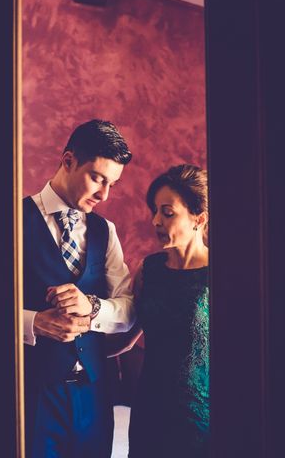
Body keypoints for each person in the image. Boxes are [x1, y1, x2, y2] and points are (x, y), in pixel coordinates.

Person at [23, 119, 136, 458]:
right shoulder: (10, 220)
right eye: (98, 178)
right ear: (68, 160)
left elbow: (129, 308)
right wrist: (32, 323)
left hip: (94, 395)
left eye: (112, 184)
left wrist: (92, 307)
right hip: (33, 393)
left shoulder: (106, 231)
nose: (104, 195)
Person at [110, 164, 210, 457]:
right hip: (149, 413)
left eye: (167, 213)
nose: (155, 220)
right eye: (155, 211)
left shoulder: (220, 272)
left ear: (198, 219)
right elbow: (125, 337)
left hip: (200, 421)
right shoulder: (148, 270)